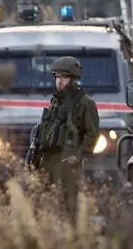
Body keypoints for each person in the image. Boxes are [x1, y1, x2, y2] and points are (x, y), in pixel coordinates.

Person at [36, 56, 100, 218]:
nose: (59, 81)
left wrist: (77, 157)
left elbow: (92, 134)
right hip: (47, 160)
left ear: (74, 79)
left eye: (64, 77)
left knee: (68, 207)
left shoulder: (85, 103)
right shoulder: (55, 101)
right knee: (45, 204)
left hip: (67, 161)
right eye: (57, 77)